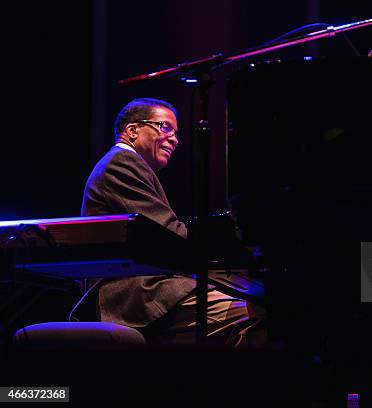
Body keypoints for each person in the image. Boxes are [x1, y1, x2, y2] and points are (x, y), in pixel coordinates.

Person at [80, 97, 264, 346]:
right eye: (165, 127)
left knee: (262, 311)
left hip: (157, 288)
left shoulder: (130, 166)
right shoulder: (123, 162)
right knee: (256, 316)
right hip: (140, 296)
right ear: (132, 130)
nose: (175, 140)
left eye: (176, 133)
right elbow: (168, 235)